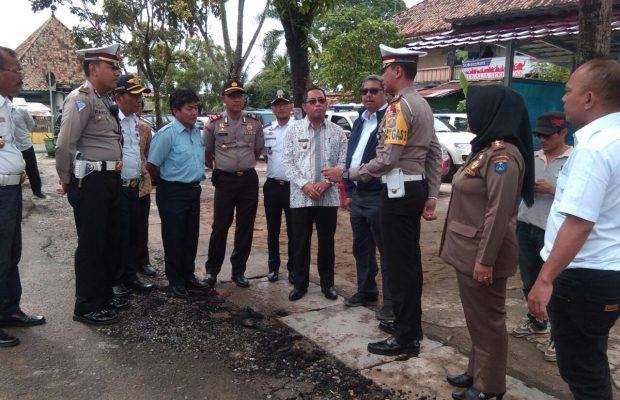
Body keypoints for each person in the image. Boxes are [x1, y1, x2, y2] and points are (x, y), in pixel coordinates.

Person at [324, 44, 442, 356]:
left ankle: (405, 337)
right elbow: (434, 153)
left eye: (385, 71)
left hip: (396, 192)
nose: (383, 77)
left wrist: (349, 173)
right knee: (409, 264)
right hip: (413, 189)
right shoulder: (422, 104)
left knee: (399, 266)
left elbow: (387, 158)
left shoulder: (398, 107)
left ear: (397, 71)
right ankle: (409, 327)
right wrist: (431, 193)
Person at [528, 59, 620, 400]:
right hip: (607, 271)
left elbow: (579, 222)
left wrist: (545, 279)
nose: (563, 98)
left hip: (584, 274)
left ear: (590, 98)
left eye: (568, 91)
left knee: (581, 369)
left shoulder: (595, 149)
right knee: (591, 359)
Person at [439, 85, 534, 400]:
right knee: (476, 319)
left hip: (482, 254)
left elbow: (498, 213)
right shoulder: (485, 150)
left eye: (474, 110)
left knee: (488, 322)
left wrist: (485, 260)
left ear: (492, 112)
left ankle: (489, 387)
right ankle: (476, 371)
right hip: (469, 251)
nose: (470, 116)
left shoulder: (503, 156)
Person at [55, 44, 126, 325]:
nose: (117, 72)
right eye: (112, 67)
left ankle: (103, 296)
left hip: (109, 179)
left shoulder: (102, 100)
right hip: (92, 181)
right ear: (94, 68)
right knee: (91, 244)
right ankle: (86, 305)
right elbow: (65, 145)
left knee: (108, 240)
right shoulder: (80, 99)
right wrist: (66, 180)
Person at [511, 112, 571, 364]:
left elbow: (582, 198)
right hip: (526, 226)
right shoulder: (532, 158)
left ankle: (559, 337)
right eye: (539, 135)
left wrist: (553, 190)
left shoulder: (575, 159)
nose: (543, 139)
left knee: (554, 286)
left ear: (563, 133)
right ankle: (537, 321)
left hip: (554, 233)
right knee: (529, 280)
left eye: (548, 135)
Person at [283, 86, 347, 302]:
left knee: (327, 243)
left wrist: (326, 183)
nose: (318, 104)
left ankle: (328, 285)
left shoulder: (338, 132)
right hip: (301, 196)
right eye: (312, 101)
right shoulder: (293, 131)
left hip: (328, 197)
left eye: (321, 100)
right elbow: (288, 162)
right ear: (304, 106)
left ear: (326, 104)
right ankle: (300, 284)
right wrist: (305, 185)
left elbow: (342, 162)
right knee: (300, 242)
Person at [0, 46, 46, 348]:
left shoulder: (7, 106)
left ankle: (9, 309)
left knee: (10, 253)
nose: (21, 75)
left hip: (10, 188)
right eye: (15, 70)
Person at [147, 89, 209, 299]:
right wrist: (166, 183)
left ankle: (189, 276)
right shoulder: (167, 134)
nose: (195, 112)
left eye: (196, 108)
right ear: (175, 111)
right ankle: (175, 281)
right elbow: (152, 165)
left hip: (193, 191)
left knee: (191, 236)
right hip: (172, 192)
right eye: (189, 108)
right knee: (174, 237)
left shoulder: (196, 132)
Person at [341, 75, 393, 322]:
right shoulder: (361, 120)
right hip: (359, 194)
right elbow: (352, 155)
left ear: (384, 93)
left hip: (380, 194)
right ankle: (367, 291)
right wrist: (349, 191)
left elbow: (385, 160)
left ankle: (391, 302)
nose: (368, 95)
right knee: (361, 248)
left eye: (374, 90)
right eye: (364, 91)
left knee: (387, 250)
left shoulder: (391, 118)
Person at [203, 80, 263, 289]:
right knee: (220, 226)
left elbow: (257, 150)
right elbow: (207, 152)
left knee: (245, 226)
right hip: (225, 180)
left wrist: (243, 163)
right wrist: (220, 167)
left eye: (240, 95)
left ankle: (239, 271)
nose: (237, 99)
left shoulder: (254, 122)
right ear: (223, 98)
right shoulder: (213, 123)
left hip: (248, 180)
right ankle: (212, 271)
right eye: (232, 95)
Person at [112, 75, 154, 298]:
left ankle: (130, 276)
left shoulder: (136, 123)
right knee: (118, 235)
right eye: (134, 95)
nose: (139, 99)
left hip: (135, 186)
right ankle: (116, 280)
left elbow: (144, 155)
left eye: (140, 95)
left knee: (133, 233)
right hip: (116, 187)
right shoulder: (110, 119)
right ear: (119, 97)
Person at [263, 89, 294, 283]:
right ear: (272, 108)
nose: (281, 107)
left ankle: (293, 269)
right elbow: (264, 154)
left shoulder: (300, 128)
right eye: (277, 104)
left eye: (284, 104)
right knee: (272, 229)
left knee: (294, 230)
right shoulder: (267, 130)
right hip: (272, 186)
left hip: (294, 187)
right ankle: (273, 267)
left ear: (291, 106)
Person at [135, 99, 156, 277]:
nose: (137, 109)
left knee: (142, 224)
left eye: (139, 106)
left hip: (142, 184)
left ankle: (143, 261)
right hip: (120, 183)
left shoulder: (145, 128)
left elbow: (149, 154)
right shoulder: (115, 125)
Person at [11, 102, 45, 198]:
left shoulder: (21, 110)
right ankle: (14, 193)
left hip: (25, 145)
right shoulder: (2, 111)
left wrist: (23, 134)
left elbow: (31, 124)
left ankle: (37, 191)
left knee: (32, 169)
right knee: (12, 171)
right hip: (10, 147)